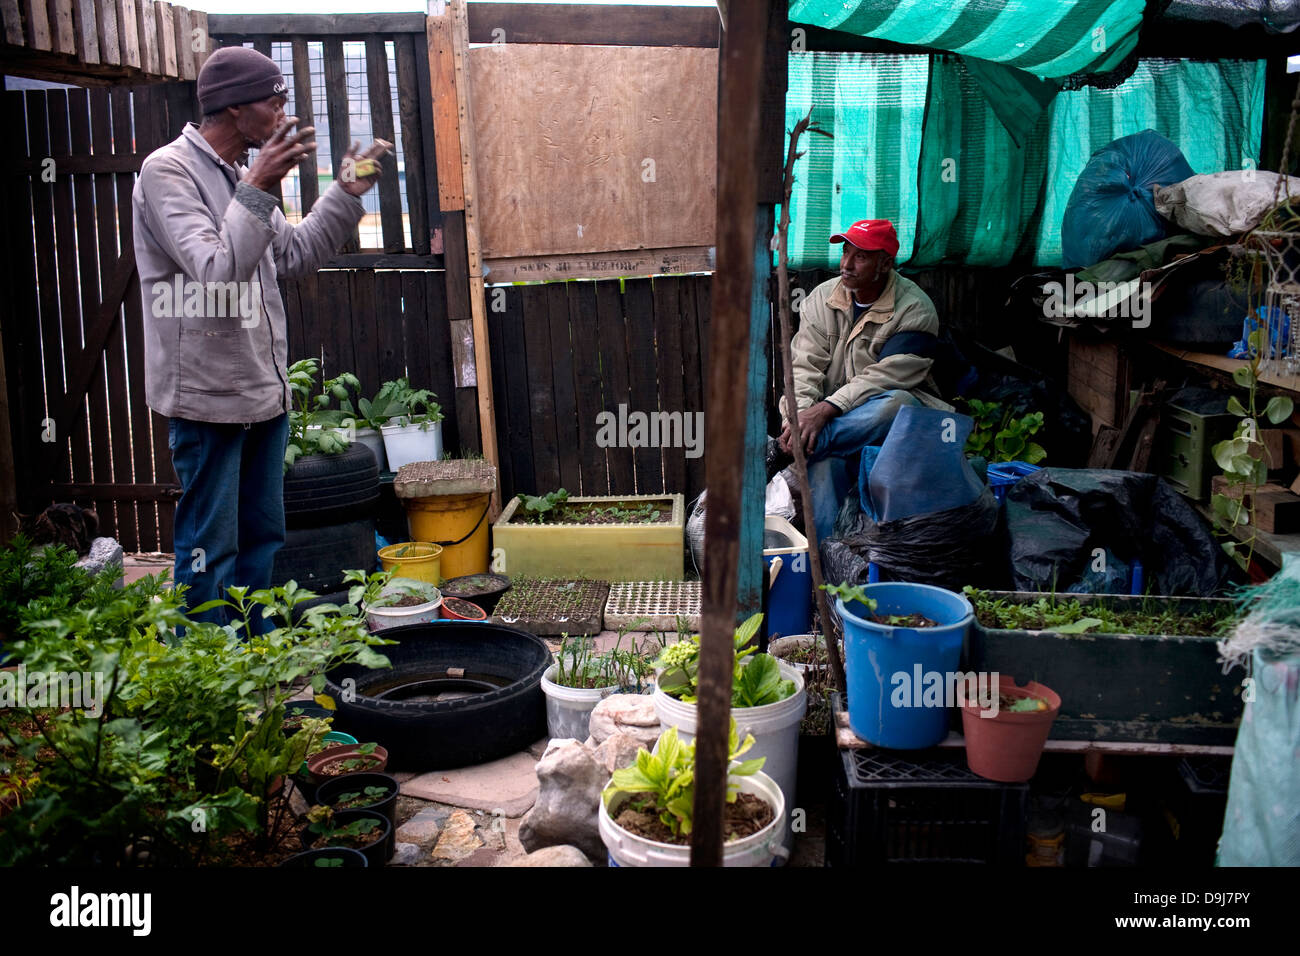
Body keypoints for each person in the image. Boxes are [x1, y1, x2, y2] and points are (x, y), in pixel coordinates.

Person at [133, 46, 390, 633]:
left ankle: (254, 653)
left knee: (262, 537)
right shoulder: (167, 171)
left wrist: (346, 192)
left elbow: (293, 255)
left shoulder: (237, 178)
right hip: (207, 398)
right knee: (209, 544)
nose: (282, 113)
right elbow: (216, 272)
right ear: (233, 107)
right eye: (274, 101)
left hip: (262, 392)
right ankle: (203, 665)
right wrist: (259, 182)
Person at [778, 219, 951, 542]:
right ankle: (832, 561)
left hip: (889, 430)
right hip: (826, 424)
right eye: (846, 251)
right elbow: (803, 367)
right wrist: (800, 417)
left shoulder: (915, 309)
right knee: (822, 465)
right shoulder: (822, 299)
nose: (846, 264)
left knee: (900, 404)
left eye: (860, 256)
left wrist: (826, 410)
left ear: (885, 263)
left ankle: (796, 448)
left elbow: (886, 378)